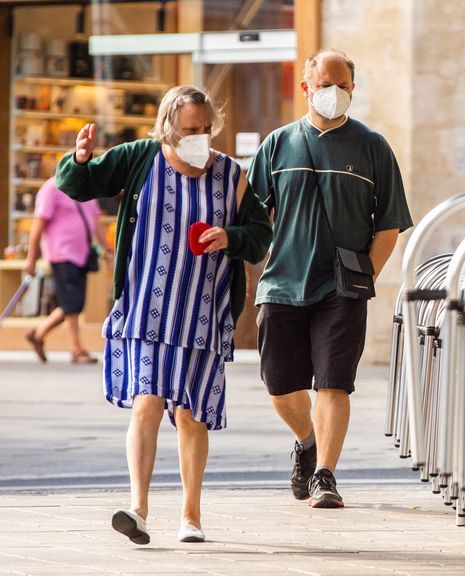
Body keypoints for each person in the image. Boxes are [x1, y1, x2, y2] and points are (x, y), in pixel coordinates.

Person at [56, 85, 272, 544]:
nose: (198, 137)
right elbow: (80, 186)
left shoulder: (231, 175)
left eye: (204, 129)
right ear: (167, 129)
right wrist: (77, 160)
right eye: (188, 129)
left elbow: (259, 233)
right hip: (145, 311)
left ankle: (191, 516)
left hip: (202, 316)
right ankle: (138, 508)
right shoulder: (139, 158)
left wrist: (230, 237)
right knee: (147, 405)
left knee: (191, 416)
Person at [248, 49, 413, 508]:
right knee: (280, 385)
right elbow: (249, 216)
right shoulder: (277, 145)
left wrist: (365, 276)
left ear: (353, 89)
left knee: (334, 383)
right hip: (282, 284)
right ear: (306, 89)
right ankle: (306, 440)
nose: (333, 94)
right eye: (324, 85)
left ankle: (325, 475)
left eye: (341, 86)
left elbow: (389, 224)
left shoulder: (372, 146)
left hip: (342, 289)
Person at [23, 177, 112, 364]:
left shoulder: (87, 187)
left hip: (82, 255)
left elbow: (95, 222)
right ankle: (76, 349)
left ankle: (39, 335)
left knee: (74, 303)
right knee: (72, 303)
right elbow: (38, 223)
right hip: (61, 253)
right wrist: (31, 258)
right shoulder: (52, 188)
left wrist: (108, 250)